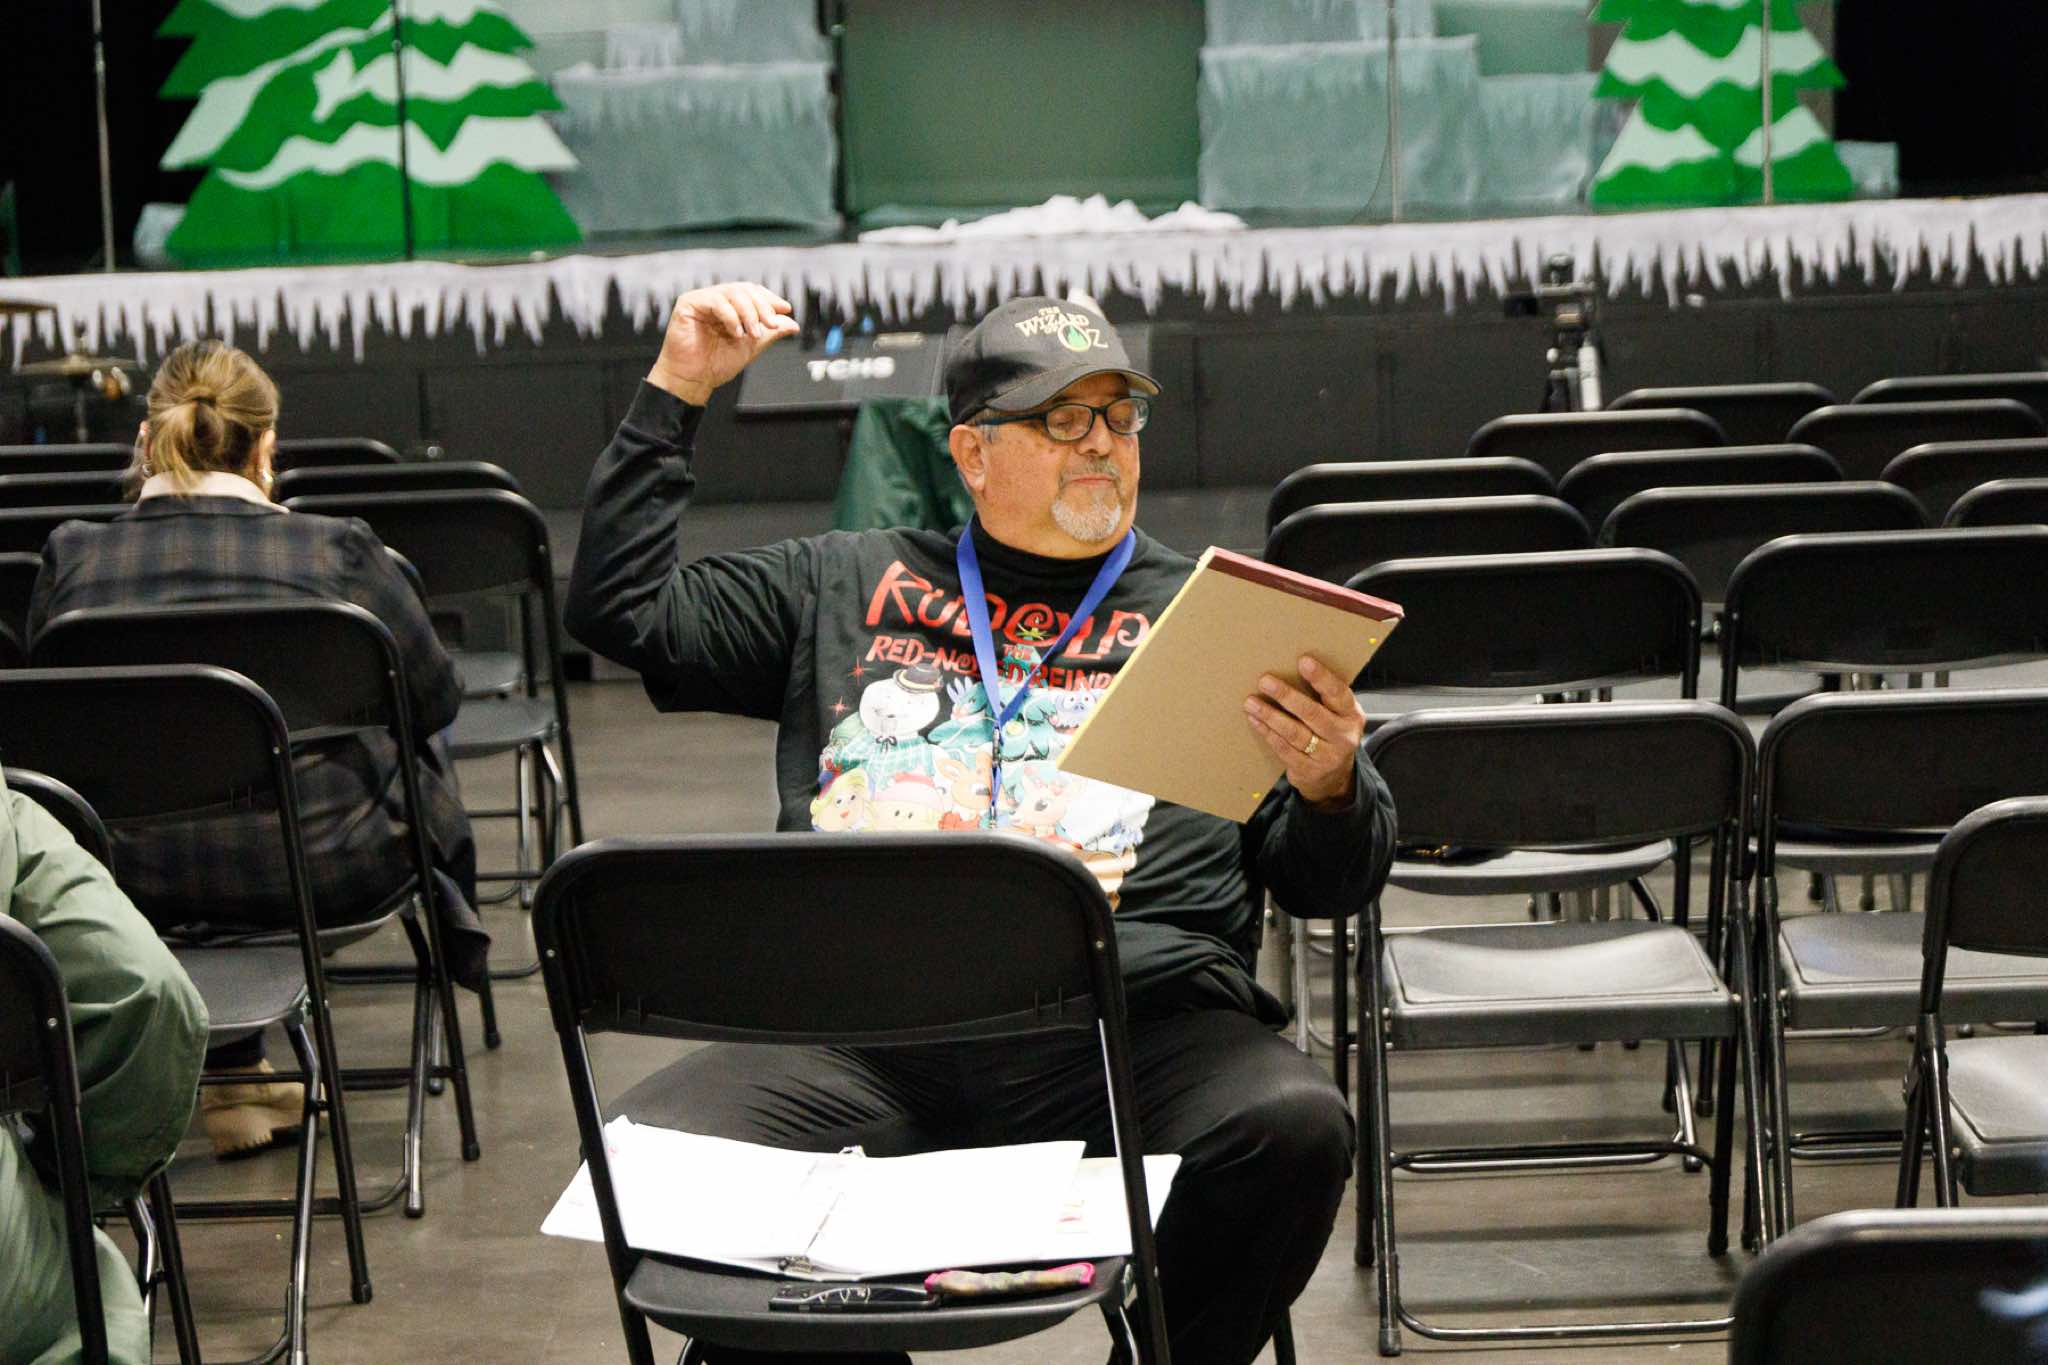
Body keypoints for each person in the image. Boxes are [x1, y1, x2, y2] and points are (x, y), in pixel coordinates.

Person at [567, 283, 1396, 1365]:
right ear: (971, 452)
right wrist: (677, 391)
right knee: (651, 1172)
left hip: (1126, 1037)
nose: (1100, 443)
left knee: (1291, 1127)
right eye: (1062, 418)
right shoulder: (844, 582)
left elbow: (1330, 882)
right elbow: (621, 612)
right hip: (863, 1042)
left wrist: (1332, 786)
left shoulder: (1216, 620)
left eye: (1120, 415)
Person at [27, 338, 488, 1159]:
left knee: (171, 779)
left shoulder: (75, 559)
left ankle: (236, 1073)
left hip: (126, 879)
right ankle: (246, 1069)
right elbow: (435, 699)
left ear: (147, 439)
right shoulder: (338, 553)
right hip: (321, 870)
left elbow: (48, 734)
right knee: (407, 740)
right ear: (266, 447)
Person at [1, 771, 209, 1365]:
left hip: (144, 851)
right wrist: (65, 1181)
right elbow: (144, 993)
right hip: (324, 865)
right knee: (88, 1304)